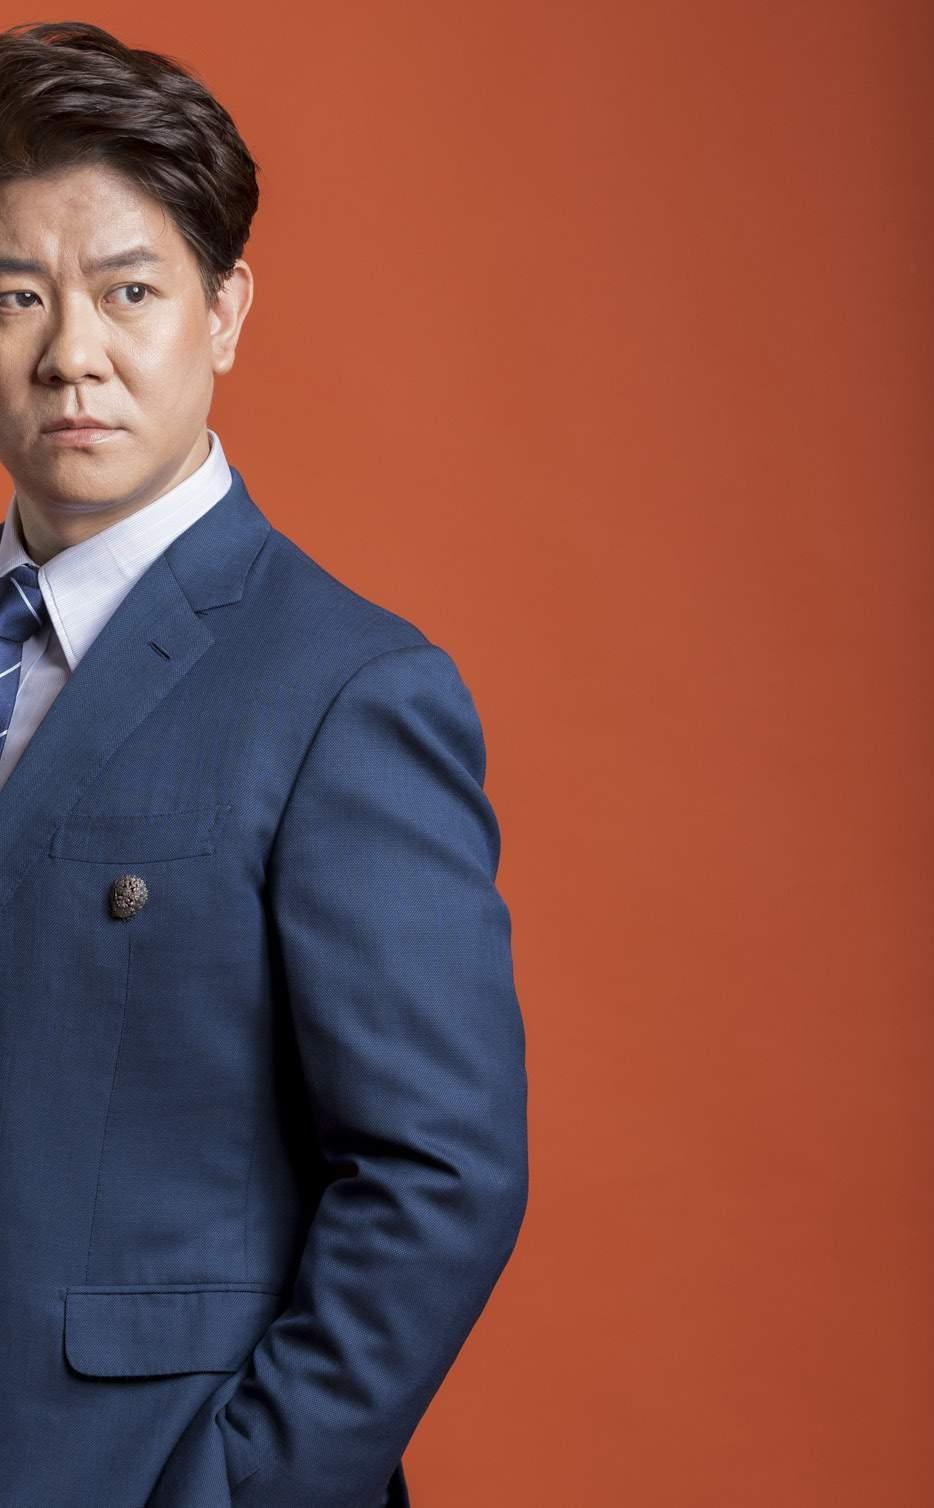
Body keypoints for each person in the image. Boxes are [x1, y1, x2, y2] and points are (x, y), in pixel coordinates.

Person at [0, 21, 528, 1508]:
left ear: (224, 313)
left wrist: (235, 1494)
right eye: (15, 294)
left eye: (130, 291)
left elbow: (440, 1177)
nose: (71, 354)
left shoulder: (350, 689)